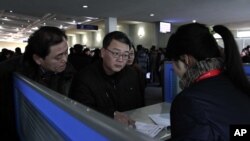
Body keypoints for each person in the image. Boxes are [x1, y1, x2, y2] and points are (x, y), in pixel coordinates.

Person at [165, 23, 250, 141]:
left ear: (186, 60)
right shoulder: (237, 83)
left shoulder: (187, 101)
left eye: (173, 62)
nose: (174, 69)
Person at [0, 26, 75, 140]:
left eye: (66, 52)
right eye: (58, 56)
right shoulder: (8, 74)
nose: (65, 60)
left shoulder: (69, 71)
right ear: (38, 59)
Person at [69, 31, 143, 126]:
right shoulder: (84, 77)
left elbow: (139, 105)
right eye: (116, 53)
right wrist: (111, 115)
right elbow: (80, 110)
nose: (120, 59)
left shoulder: (132, 74)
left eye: (125, 55)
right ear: (103, 53)